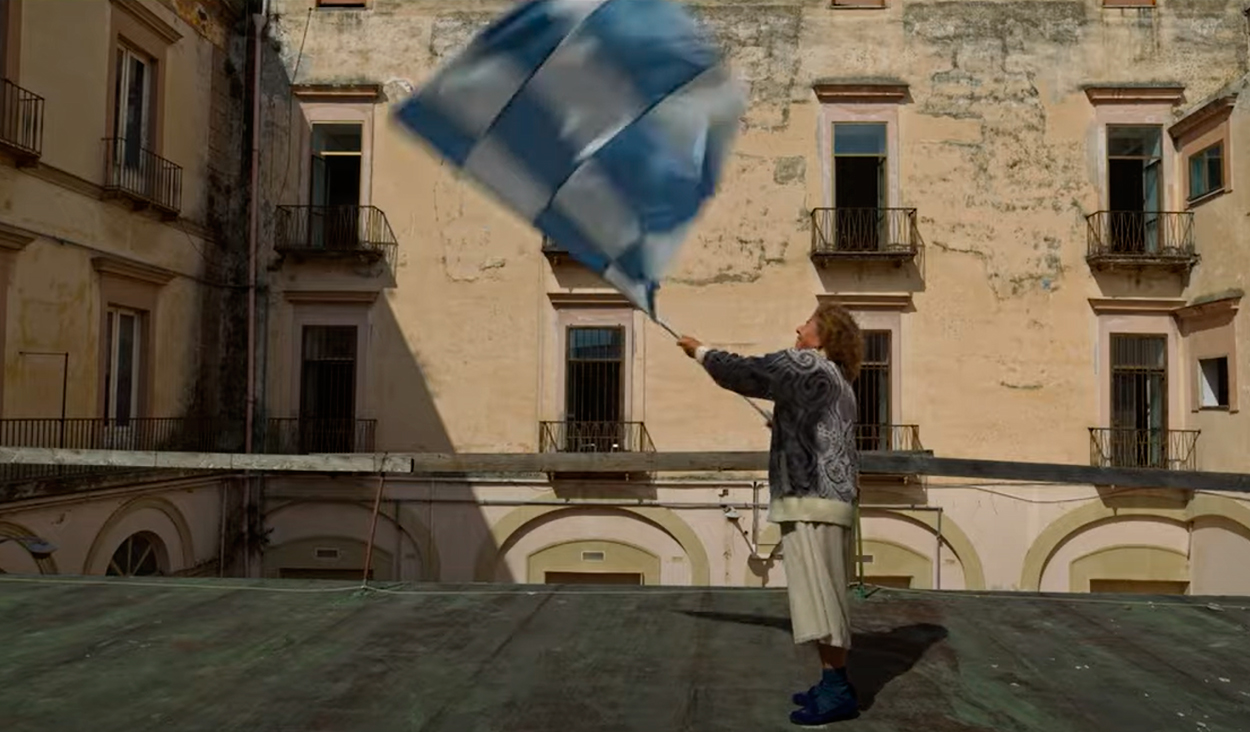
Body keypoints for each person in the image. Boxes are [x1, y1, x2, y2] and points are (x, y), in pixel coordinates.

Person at [676, 302, 863, 726]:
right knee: (823, 594)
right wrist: (785, 425)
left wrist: (700, 351)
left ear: (824, 337)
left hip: (812, 498)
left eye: (808, 324)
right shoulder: (837, 381)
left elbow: (745, 373)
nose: (798, 328)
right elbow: (821, 431)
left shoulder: (807, 364)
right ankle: (833, 682)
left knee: (821, 600)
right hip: (828, 499)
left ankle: (837, 691)